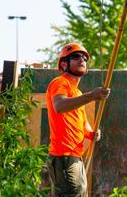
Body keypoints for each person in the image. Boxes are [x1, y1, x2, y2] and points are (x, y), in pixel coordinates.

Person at [46, 43, 111, 196]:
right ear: (64, 63)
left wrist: (92, 133)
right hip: (63, 156)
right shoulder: (60, 82)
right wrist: (91, 96)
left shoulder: (77, 92)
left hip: (74, 156)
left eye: (84, 58)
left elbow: (81, 123)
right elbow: (59, 106)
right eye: (75, 57)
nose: (81, 59)